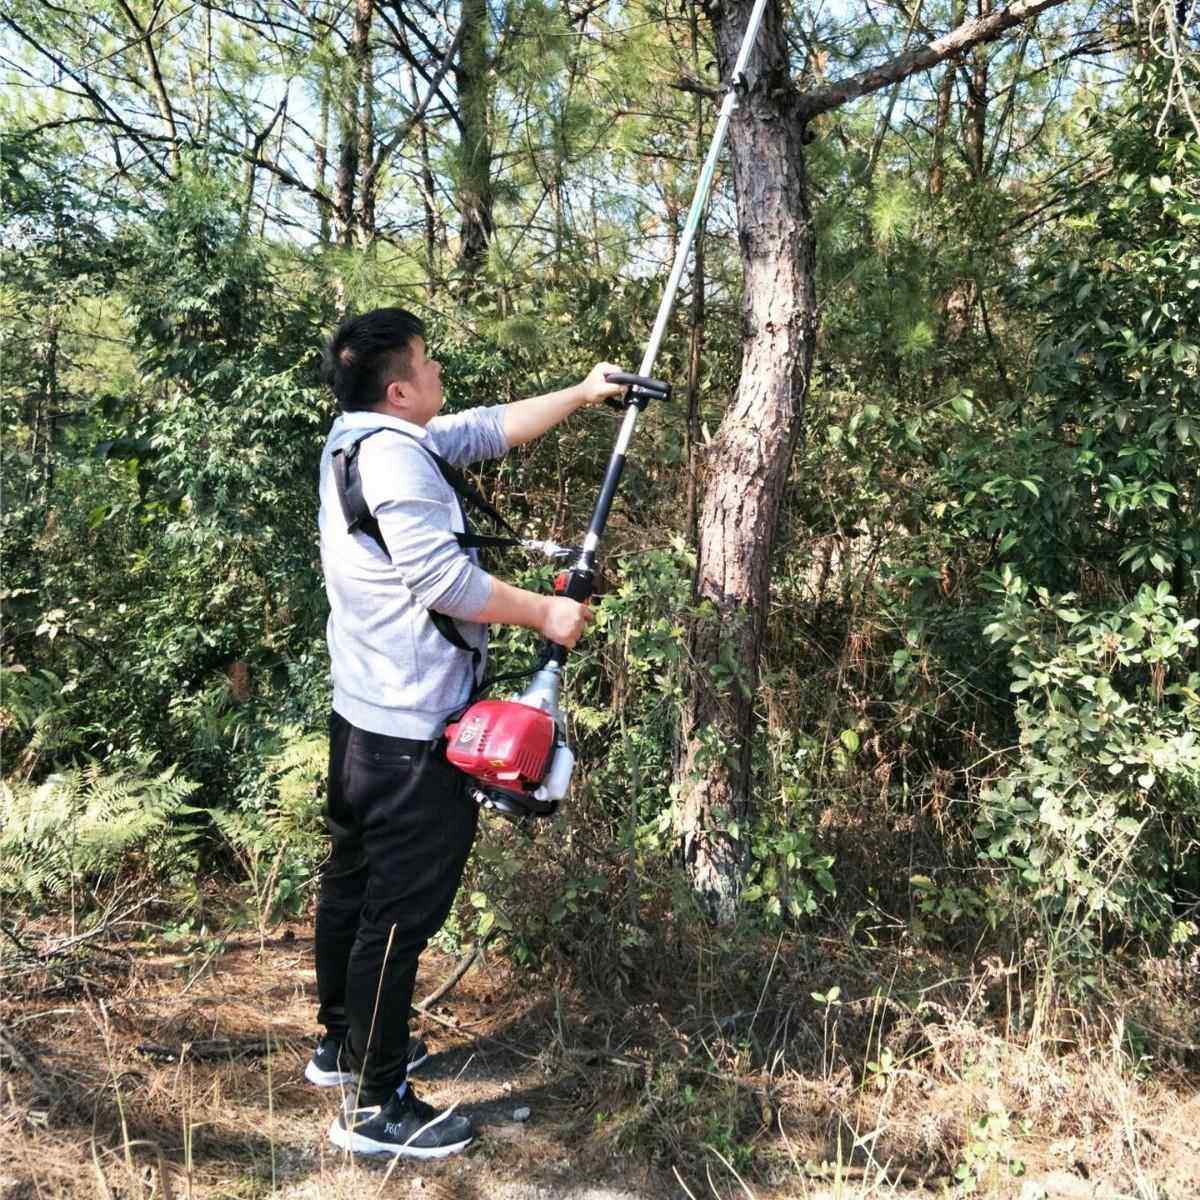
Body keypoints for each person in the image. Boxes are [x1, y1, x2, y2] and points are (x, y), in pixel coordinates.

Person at [309, 306, 625, 1159]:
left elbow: (483, 430)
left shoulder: (362, 436)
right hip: (412, 733)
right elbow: (445, 580)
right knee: (398, 915)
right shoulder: (397, 460)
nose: (439, 368)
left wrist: (587, 393)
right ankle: (376, 1110)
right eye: (427, 360)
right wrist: (547, 613)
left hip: (363, 717)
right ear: (400, 387)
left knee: (354, 882)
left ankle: (342, 1045)